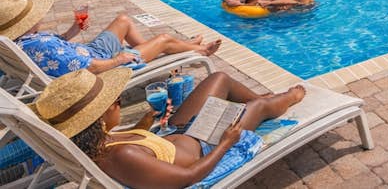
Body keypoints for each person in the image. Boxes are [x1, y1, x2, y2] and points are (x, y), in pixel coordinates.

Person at [35, 67, 306, 189]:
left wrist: (146, 124)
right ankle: (285, 100)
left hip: (176, 133)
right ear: (99, 117)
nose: (117, 101)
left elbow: (143, 148)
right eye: (114, 101)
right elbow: (188, 177)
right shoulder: (121, 157)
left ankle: (264, 101)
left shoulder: (97, 139)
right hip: (205, 144)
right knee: (257, 109)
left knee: (219, 78)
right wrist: (226, 142)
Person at [4, 0, 220, 77]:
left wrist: (73, 31)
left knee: (123, 20)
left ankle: (177, 48)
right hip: (102, 64)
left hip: (90, 52)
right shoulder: (40, 46)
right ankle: (199, 50)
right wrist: (119, 59)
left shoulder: (26, 41)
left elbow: (60, 47)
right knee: (162, 39)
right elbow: (91, 68)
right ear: (28, 21)